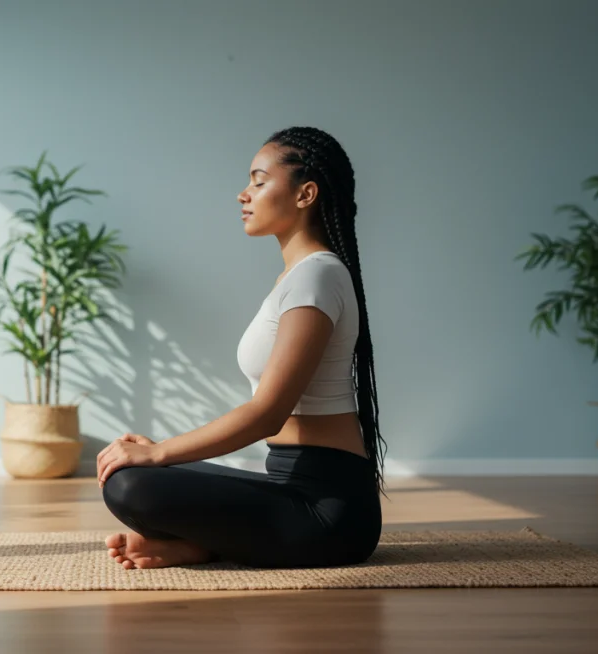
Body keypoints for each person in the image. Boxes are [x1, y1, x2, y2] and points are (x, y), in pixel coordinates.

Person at [96, 126, 385, 570]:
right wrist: (156, 455)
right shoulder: (298, 278)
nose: (243, 194)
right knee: (130, 471)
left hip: (330, 513)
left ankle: (208, 543)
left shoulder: (317, 277)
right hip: (288, 486)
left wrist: (160, 451)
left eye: (259, 181)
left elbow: (268, 414)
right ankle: (206, 545)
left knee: (131, 485)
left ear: (305, 194)